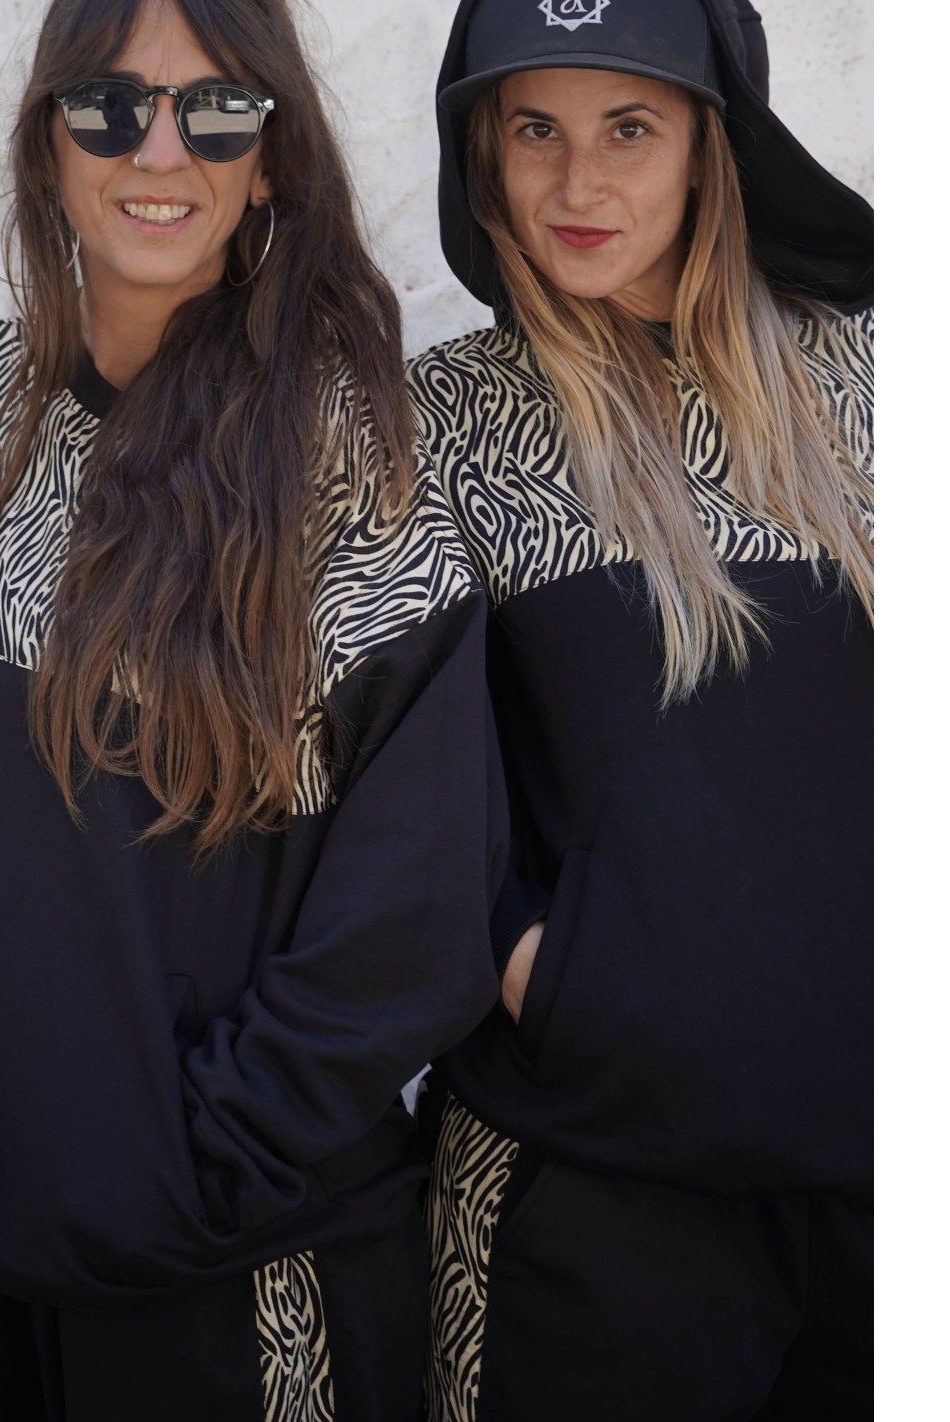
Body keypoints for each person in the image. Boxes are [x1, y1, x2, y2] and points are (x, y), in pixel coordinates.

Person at [0, 1, 508, 1418]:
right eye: (109, 106)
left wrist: (185, 1174)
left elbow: (418, 904)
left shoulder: (352, 463)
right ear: (47, 142)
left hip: (238, 1288)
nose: (158, 150)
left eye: (217, 110)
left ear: (271, 157)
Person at [406, 1, 873, 1418]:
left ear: (712, 145)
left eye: (628, 129)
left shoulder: (863, 383)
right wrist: (545, 973)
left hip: (874, 1177)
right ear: (482, 151)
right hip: (587, 1186)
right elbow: (375, 778)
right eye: (533, 129)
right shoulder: (438, 424)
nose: (577, 183)